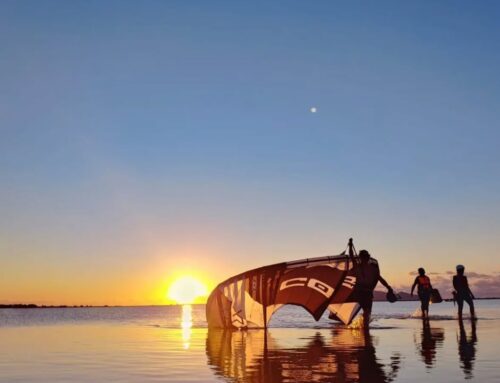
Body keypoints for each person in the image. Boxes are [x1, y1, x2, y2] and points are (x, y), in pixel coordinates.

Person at [353, 249, 393, 329]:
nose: (365, 259)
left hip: (368, 292)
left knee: (368, 312)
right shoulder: (357, 266)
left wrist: (388, 287)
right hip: (359, 292)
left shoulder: (373, 268)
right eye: (363, 257)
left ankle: (364, 327)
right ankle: (365, 329)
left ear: (368, 257)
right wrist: (350, 246)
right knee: (366, 311)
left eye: (366, 257)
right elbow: (351, 257)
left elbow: (380, 278)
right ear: (360, 258)